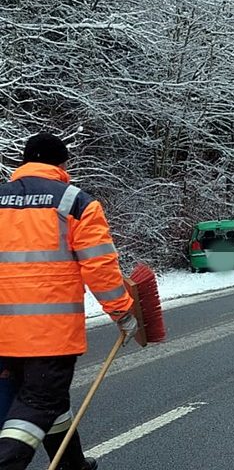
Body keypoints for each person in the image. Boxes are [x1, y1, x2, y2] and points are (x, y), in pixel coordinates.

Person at [0, 133, 138, 470]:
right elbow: (100, 266)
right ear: (62, 164)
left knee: (46, 399)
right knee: (40, 400)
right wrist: (122, 312)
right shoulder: (74, 202)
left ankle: (72, 464)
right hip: (48, 335)